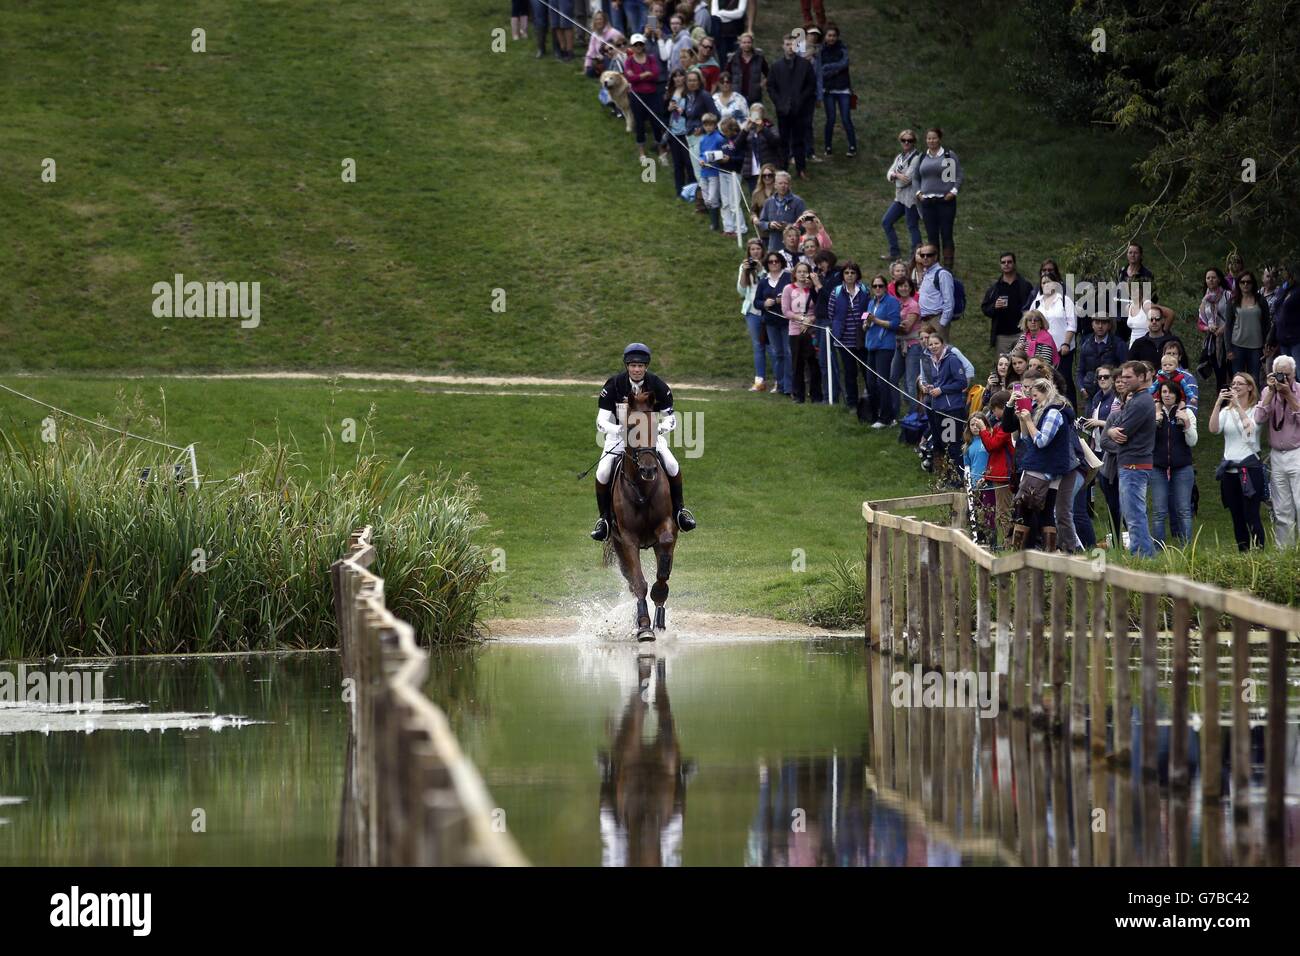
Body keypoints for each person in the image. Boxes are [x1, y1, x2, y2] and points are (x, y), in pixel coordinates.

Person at [590, 343, 696, 541]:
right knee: (602, 471)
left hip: (650, 438)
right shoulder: (614, 384)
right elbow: (601, 421)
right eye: (632, 365)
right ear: (627, 366)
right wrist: (619, 430)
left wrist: (658, 429)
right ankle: (604, 520)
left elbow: (671, 418)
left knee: (672, 465)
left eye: (640, 366)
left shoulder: (657, 384)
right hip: (619, 438)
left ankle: (680, 512)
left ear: (646, 367)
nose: (636, 369)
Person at [1010, 378, 1076, 551]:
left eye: (1036, 395)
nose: (1033, 399)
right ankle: (1047, 553)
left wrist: (1030, 422)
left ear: (1046, 392)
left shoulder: (1054, 412)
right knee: (1046, 513)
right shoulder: (1042, 411)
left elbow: (1041, 441)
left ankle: (1018, 553)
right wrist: (1023, 420)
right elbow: (1026, 437)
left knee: (1023, 510)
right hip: (1047, 468)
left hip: (1042, 467)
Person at [1100, 361, 1157, 558]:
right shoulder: (1135, 400)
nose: (1123, 381)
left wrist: (1113, 430)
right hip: (1128, 464)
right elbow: (1110, 434)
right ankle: (1143, 555)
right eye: (1122, 377)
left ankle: (1142, 557)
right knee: (1133, 514)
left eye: (1128, 377)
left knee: (1134, 516)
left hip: (1134, 465)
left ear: (1142, 377)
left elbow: (1122, 432)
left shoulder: (1142, 401)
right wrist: (1112, 430)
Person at [1209, 372, 1266, 551]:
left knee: (1251, 514)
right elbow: (1213, 429)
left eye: (1240, 384)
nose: (1236, 387)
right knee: (1237, 515)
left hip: (1249, 469)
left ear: (1250, 387)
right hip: (1230, 470)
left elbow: (1250, 432)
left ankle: (1258, 551)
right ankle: (1243, 551)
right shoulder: (1227, 412)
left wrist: (1239, 407)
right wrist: (1219, 403)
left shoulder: (1256, 410)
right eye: (1233, 384)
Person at [1254, 355, 1300, 548]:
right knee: (1281, 508)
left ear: (1294, 373)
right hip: (1276, 455)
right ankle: (1285, 552)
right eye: (1280, 375)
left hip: (1297, 452)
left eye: (1287, 375)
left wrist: (1289, 395)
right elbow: (1258, 417)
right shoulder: (1268, 391)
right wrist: (1271, 393)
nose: (1284, 379)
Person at [1150, 379, 1198, 546]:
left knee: (1184, 510)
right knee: (1158, 511)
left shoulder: (1187, 413)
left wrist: (1186, 423)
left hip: (1182, 466)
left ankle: (1187, 548)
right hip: (1158, 466)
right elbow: (1147, 442)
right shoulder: (1154, 413)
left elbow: (1193, 441)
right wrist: (1154, 421)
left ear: (1177, 395)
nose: (1167, 395)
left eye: (1170, 392)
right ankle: (1158, 549)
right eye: (1164, 392)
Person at [1080, 364, 1124, 546]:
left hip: (1113, 451)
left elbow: (1118, 424)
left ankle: (1123, 535)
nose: (1103, 380)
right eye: (1100, 377)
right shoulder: (1098, 398)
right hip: (1098, 447)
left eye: (1107, 377)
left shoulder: (1116, 399)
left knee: (1117, 494)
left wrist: (1098, 422)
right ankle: (1115, 535)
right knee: (1106, 493)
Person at [922, 329, 970, 486]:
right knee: (943, 445)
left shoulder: (951, 360)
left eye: (936, 343)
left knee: (953, 445)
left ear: (943, 344)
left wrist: (941, 390)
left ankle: (958, 479)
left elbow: (962, 382)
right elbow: (940, 382)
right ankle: (949, 476)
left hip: (952, 410)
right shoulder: (933, 361)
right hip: (939, 409)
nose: (933, 346)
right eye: (931, 344)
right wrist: (931, 387)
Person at [766, 33, 817, 179]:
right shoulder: (776, 66)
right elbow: (771, 86)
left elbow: (811, 85)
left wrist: (801, 100)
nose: (790, 47)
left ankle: (801, 169)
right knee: (783, 140)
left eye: (793, 44)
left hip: (800, 109)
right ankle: (783, 168)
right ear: (783, 46)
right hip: (783, 110)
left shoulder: (805, 65)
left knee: (799, 140)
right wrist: (778, 102)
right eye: (787, 44)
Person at [913, 128, 963, 271]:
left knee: (946, 233)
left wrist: (953, 192)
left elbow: (958, 175)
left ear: (939, 139)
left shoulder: (947, 155)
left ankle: (948, 268)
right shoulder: (923, 157)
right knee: (931, 235)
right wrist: (918, 193)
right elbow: (916, 177)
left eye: (934, 138)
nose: (931, 141)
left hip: (945, 201)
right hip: (928, 202)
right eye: (929, 138)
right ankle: (934, 266)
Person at [1030, 274, 1078, 406]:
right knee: (1043, 382)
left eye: (1049, 282)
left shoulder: (1064, 300)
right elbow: (1029, 323)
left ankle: (1070, 410)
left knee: (1063, 381)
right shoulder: (1037, 302)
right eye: (1043, 282)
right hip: (1042, 352)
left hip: (1062, 349)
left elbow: (1072, 324)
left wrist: (1066, 343)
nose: (1046, 285)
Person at [829, 261, 870, 415]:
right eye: (846, 273)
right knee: (849, 372)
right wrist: (838, 327)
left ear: (857, 274)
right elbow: (831, 312)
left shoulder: (864, 290)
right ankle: (852, 403)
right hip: (844, 340)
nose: (850, 275)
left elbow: (869, 310)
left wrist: (864, 321)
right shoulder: (837, 291)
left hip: (862, 338)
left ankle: (871, 399)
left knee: (867, 371)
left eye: (852, 272)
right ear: (843, 275)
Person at [861, 274, 902, 428]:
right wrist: (866, 324)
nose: (878, 289)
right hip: (871, 345)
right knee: (871, 382)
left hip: (885, 346)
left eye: (881, 286)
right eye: (875, 286)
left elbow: (894, 324)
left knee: (882, 381)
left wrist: (875, 320)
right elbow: (866, 321)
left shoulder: (891, 302)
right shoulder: (871, 303)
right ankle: (876, 413)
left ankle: (886, 418)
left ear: (886, 287)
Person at [977, 391, 1015, 547]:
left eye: (994, 409)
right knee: (1003, 510)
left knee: (1003, 511)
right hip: (999, 474)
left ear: (1002, 408)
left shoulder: (1006, 426)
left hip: (1004, 475)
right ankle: (1009, 541)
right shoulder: (1002, 425)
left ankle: (1009, 542)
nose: (993, 413)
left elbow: (992, 445)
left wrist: (982, 430)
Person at [782, 261, 822, 403]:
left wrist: (810, 320)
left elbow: (820, 309)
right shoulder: (788, 289)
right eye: (799, 271)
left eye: (805, 271)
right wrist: (801, 318)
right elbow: (786, 310)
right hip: (795, 330)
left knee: (814, 364)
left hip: (812, 330)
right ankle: (798, 396)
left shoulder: (813, 289)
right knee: (797, 364)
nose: (802, 274)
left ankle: (816, 395)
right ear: (794, 274)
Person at [981, 252, 1035, 355]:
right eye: (1003, 262)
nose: (1006, 264)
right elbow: (985, 308)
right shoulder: (995, 287)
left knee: (1022, 366)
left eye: (1009, 262)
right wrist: (994, 306)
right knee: (1003, 368)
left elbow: (1034, 307)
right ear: (1000, 265)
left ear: (1014, 264)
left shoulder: (1025, 285)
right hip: (1002, 336)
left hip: (1022, 333)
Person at [880, 130, 922, 262]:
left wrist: (895, 175)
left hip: (912, 199)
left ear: (914, 142)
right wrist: (897, 175)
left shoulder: (916, 158)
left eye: (909, 140)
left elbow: (907, 180)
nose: (907, 143)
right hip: (900, 198)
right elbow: (889, 174)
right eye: (904, 140)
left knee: (912, 226)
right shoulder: (900, 157)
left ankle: (915, 257)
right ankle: (895, 252)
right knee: (886, 222)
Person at [753, 251, 792, 393]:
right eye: (771, 262)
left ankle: (789, 386)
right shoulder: (763, 281)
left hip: (787, 321)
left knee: (789, 353)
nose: (774, 264)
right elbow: (756, 302)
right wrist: (764, 303)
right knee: (778, 354)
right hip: (770, 322)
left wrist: (785, 300)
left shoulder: (788, 277)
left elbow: (796, 294)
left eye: (776, 261)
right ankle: (780, 385)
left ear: (781, 262)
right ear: (767, 264)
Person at [737, 238, 772, 391]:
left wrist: (761, 270)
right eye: (752, 249)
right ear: (749, 252)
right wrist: (745, 272)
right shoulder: (745, 266)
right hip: (752, 311)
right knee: (758, 346)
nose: (755, 252)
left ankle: (781, 381)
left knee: (773, 347)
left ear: (762, 250)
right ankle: (760, 381)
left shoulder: (771, 263)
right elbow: (741, 291)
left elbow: (770, 285)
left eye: (758, 249)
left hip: (769, 310)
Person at [1227, 270, 1272, 388]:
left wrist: (1267, 344)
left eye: (1248, 282)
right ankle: (1237, 405)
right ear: (1238, 284)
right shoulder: (1233, 301)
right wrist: (1228, 349)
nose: (1245, 285)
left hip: (1256, 347)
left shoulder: (1261, 300)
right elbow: (1228, 326)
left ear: (1253, 284)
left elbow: (1267, 324)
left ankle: (1255, 405)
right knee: (1238, 380)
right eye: (1242, 282)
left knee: (1254, 380)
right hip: (1237, 346)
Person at [817, 23, 856, 158]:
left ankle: (852, 146)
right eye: (829, 35)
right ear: (825, 37)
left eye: (834, 35)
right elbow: (820, 71)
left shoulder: (843, 48)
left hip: (843, 89)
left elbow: (844, 63)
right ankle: (828, 146)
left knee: (846, 118)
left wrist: (829, 68)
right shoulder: (820, 51)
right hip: (828, 90)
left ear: (837, 36)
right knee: (831, 119)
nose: (832, 38)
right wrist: (836, 69)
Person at [810, 249, 843, 404]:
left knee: (829, 359)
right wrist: (813, 286)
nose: (820, 266)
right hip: (820, 320)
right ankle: (828, 395)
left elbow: (831, 296)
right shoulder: (822, 276)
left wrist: (818, 284)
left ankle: (832, 396)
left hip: (830, 321)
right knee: (823, 359)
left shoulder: (837, 275)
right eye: (817, 263)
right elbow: (817, 299)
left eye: (822, 262)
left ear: (829, 260)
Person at [622, 35, 661, 163]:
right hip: (637, 96)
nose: (638, 47)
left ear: (643, 45)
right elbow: (630, 78)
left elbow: (656, 74)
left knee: (656, 122)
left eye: (640, 44)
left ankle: (660, 149)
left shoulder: (651, 58)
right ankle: (641, 151)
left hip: (652, 94)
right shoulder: (629, 61)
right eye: (635, 45)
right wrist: (645, 74)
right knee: (639, 123)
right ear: (631, 47)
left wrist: (638, 76)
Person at [1075, 314, 1128, 405]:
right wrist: (1082, 388)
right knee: (1089, 419)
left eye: (1103, 323)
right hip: (1090, 392)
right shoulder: (1086, 345)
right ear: (1092, 325)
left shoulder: (1118, 344)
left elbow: (1125, 368)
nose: (1100, 326)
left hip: (1112, 393)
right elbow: (1080, 371)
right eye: (1097, 322)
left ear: (1109, 325)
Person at [890, 275, 923, 417]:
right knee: (893, 378)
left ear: (911, 288)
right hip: (898, 344)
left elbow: (907, 327)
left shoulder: (913, 305)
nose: (903, 288)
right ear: (896, 288)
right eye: (901, 286)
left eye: (906, 286)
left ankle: (913, 415)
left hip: (913, 345)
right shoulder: (895, 303)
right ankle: (895, 411)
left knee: (910, 381)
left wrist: (886, 324)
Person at [1198, 267, 1235, 396]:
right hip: (1213, 341)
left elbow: (1235, 316)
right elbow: (1200, 323)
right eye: (1208, 278)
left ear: (1219, 279)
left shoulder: (1228, 295)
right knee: (1219, 373)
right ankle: (1222, 404)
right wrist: (1209, 328)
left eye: (1213, 277)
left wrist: (1224, 328)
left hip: (1230, 339)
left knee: (1232, 371)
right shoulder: (1205, 299)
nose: (1211, 280)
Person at [755, 171, 806, 254]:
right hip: (774, 246)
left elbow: (804, 225)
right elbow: (761, 223)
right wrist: (769, 225)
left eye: (786, 183)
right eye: (780, 183)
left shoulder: (798, 202)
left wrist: (789, 226)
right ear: (775, 185)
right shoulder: (769, 202)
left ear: (790, 185)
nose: (783, 186)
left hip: (793, 248)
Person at [734, 106, 780, 193]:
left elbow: (775, 142)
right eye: (753, 113)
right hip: (752, 171)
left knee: (771, 196)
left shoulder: (769, 126)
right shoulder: (747, 129)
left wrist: (763, 129)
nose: (756, 116)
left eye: (758, 113)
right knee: (755, 198)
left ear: (762, 115)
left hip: (768, 170)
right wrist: (745, 130)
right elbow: (736, 146)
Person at [916, 244, 955, 342]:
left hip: (936, 319)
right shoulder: (926, 273)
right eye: (922, 255)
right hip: (924, 321)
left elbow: (949, 301)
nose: (925, 257)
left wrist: (942, 323)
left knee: (939, 353)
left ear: (935, 256)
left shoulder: (942, 274)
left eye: (929, 255)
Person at [1114, 242, 1154, 336]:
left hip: (1139, 312)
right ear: (1127, 254)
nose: (1133, 255)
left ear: (1140, 255)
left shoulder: (1146, 274)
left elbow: (1149, 296)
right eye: (1130, 252)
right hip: (1121, 313)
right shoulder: (1122, 271)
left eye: (1135, 253)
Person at [664, 69, 694, 194]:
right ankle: (679, 190)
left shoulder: (689, 94)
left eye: (680, 76)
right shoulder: (671, 92)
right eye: (675, 76)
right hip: (673, 132)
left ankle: (692, 190)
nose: (678, 79)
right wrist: (669, 108)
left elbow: (693, 113)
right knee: (677, 164)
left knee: (689, 162)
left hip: (686, 132)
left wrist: (683, 111)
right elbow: (664, 112)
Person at [696, 113, 727, 231]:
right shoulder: (703, 139)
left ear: (715, 125)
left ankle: (715, 224)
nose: (708, 127)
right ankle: (713, 221)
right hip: (704, 172)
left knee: (712, 198)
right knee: (706, 198)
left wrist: (713, 159)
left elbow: (723, 154)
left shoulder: (719, 138)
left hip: (714, 172)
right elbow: (701, 154)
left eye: (711, 125)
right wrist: (701, 160)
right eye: (706, 125)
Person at [1267, 262, 1300, 366]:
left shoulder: (1298, 290)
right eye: (1279, 271)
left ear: (1290, 271)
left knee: (1298, 372)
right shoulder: (1282, 289)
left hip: (1296, 339)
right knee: (1287, 373)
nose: (1280, 273)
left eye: (1282, 270)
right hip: (1282, 338)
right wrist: (1271, 337)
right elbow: (1277, 315)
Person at [723, 31, 768, 105]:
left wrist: (760, 85)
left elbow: (768, 74)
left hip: (754, 97)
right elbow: (726, 75)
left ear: (752, 43)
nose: (746, 45)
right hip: (737, 97)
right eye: (744, 42)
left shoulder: (759, 58)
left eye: (749, 42)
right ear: (740, 44)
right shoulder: (733, 58)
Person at [1150, 347, 1200, 412]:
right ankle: (1159, 418)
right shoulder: (1160, 377)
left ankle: (1180, 419)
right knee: (1157, 404)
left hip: (1177, 398)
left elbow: (1187, 389)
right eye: (1165, 365)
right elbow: (1153, 387)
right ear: (1161, 366)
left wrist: (1192, 397)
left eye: (1170, 365)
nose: (1167, 366)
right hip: (1162, 399)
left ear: (1176, 366)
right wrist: (1146, 393)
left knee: (1182, 404)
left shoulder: (1179, 377)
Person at [710, 0, 748, 65]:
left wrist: (721, 13)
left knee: (737, 62)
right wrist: (732, 16)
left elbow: (740, 14)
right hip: (721, 36)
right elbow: (715, 15)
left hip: (736, 35)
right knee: (723, 62)